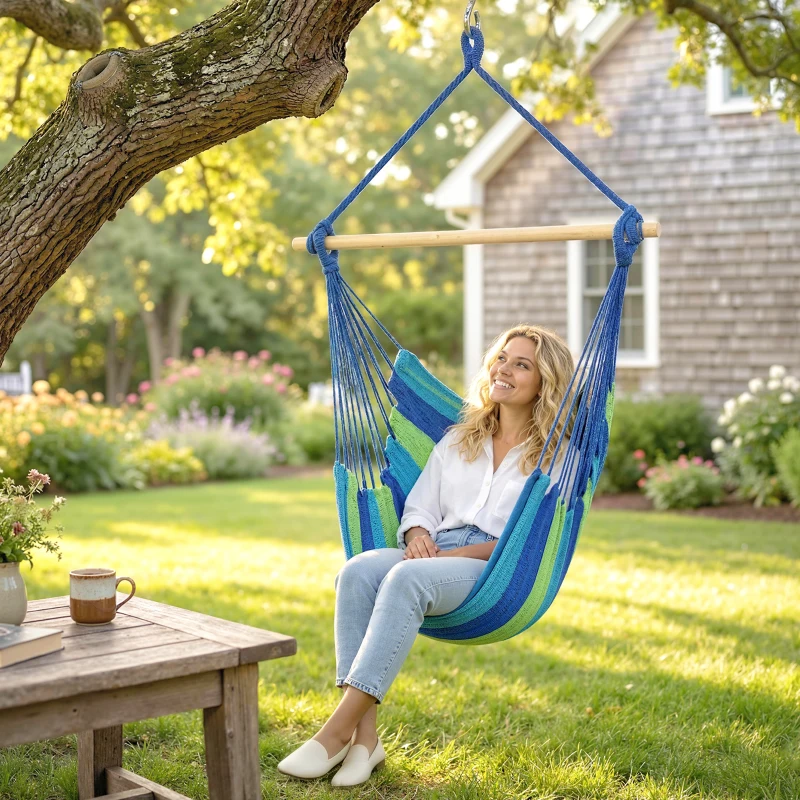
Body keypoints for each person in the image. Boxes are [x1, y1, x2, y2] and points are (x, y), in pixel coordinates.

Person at [277, 324, 577, 786]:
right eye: (501, 358)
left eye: (522, 365)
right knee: (356, 572)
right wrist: (417, 533)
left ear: (545, 383)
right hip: (437, 548)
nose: (504, 369)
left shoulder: (559, 456)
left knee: (405, 580)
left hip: (494, 570)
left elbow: (528, 539)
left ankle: (334, 734)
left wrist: (449, 554)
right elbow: (421, 505)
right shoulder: (459, 438)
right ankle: (365, 740)